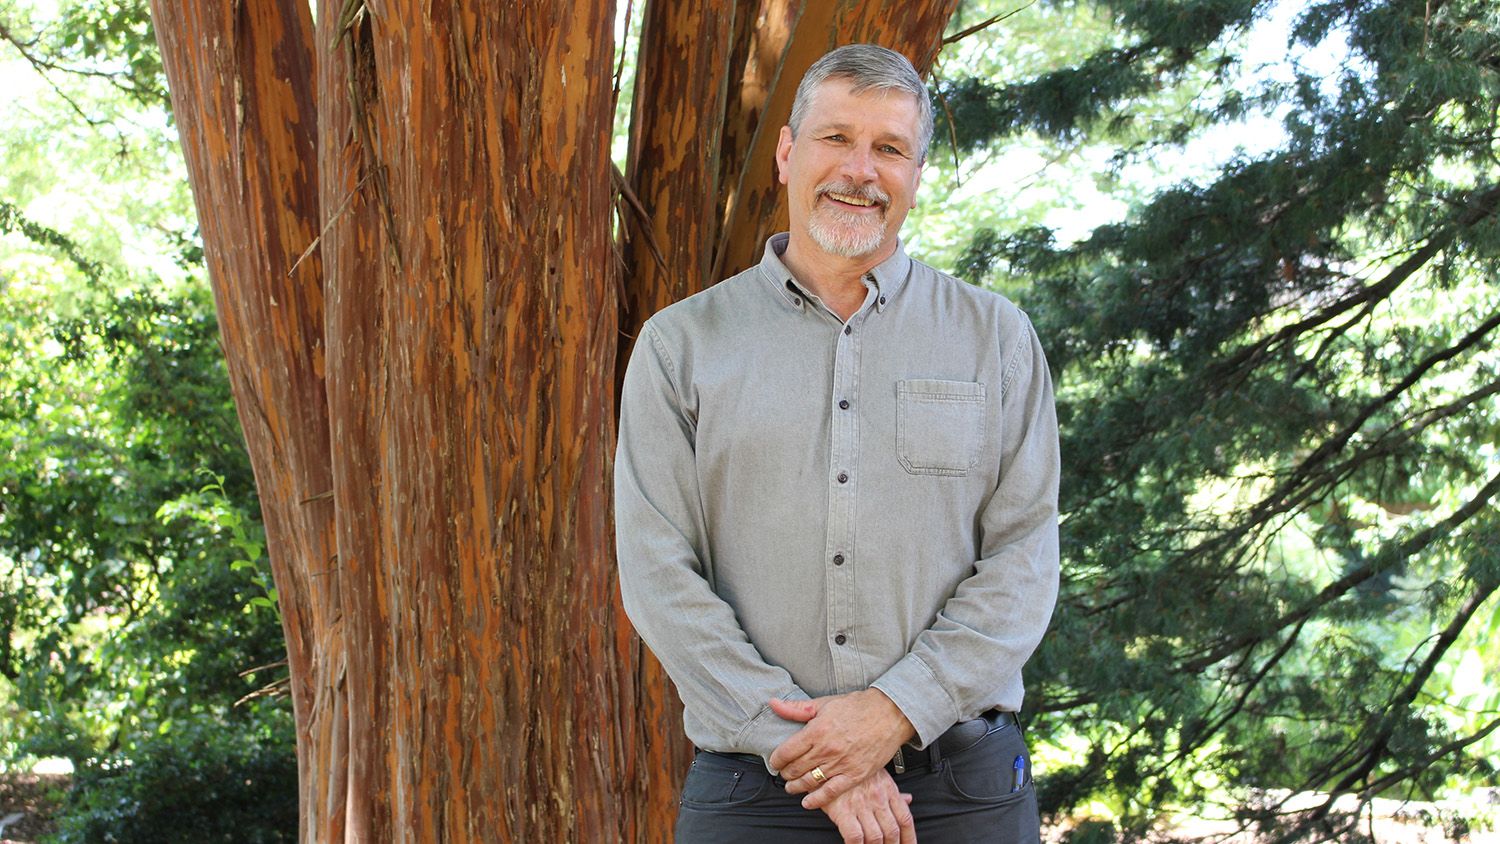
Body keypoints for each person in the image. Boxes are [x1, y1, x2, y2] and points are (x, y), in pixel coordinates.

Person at [615, 43, 1059, 843]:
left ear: (916, 173)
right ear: (788, 152)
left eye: (889, 148)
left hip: (962, 792)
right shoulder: (681, 344)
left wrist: (893, 711)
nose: (860, 169)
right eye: (835, 138)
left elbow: (1023, 560)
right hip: (756, 795)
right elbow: (656, 572)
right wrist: (805, 746)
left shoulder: (997, 338)